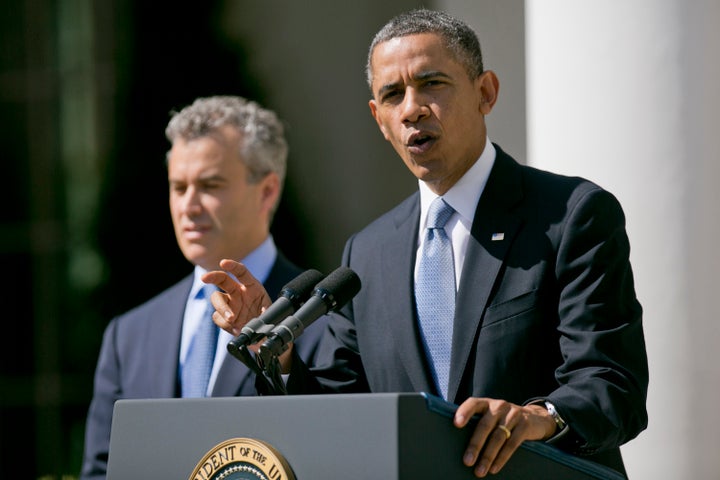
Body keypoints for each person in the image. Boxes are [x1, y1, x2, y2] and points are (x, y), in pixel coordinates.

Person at [204, 9, 648, 478]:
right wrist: (281, 355)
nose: (412, 108)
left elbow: (611, 383)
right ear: (379, 118)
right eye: (392, 94)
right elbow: (342, 404)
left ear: (486, 93)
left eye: (432, 84)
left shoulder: (570, 214)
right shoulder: (367, 253)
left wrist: (538, 419)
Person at [80, 96, 329, 479]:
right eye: (178, 187)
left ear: (267, 191)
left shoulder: (324, 316)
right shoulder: (128, 335)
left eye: (210, 185)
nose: (189, 206)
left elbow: (337, 450)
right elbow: (102, 471)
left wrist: (281, 362)